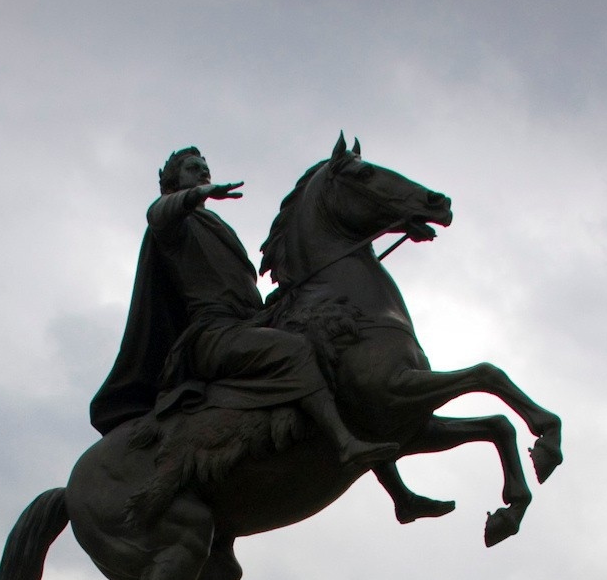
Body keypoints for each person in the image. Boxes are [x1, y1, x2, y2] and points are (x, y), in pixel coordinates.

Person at [90, 146, 400, 470]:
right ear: (173, 180)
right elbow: (157, 214)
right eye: (193, 168)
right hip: (212, 334)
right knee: (296, 350)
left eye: (204, 168)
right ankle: (344, 443)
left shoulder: (215, 225)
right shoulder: (173, 225)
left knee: (334, 347)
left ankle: (398, 491)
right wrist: (200, 192)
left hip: (248, 323)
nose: (202, 172)